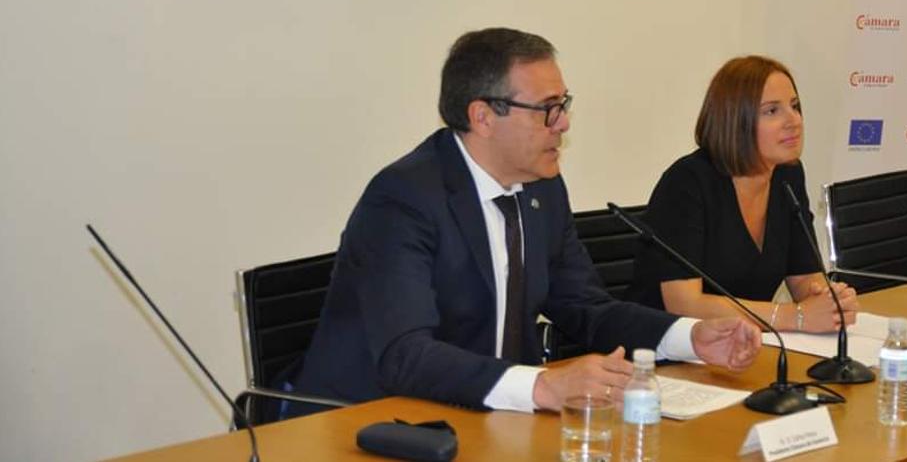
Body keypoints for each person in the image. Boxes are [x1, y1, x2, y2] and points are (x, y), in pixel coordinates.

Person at [289, 28, 761, 416]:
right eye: (547, 109)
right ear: (483, 116)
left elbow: (585, 307)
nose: (563, 124)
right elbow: (405, 354)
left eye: (564, 104)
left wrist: (689, 337)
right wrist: (543, 387)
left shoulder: (541, 187)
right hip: (374, 423)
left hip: (484, 418)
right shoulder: (404, 199)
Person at [628, 55, 859, 333]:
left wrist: (830, 301)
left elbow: (804, 278)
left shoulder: (787, 175)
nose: (793, 120)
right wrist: (794, 316)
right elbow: (684, 304)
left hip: (743, 346)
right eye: (772, 111)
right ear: (735, 120)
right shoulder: (687, 182)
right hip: (666, 353)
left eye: (795, 106)